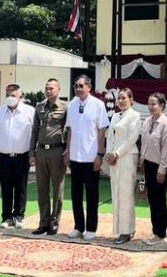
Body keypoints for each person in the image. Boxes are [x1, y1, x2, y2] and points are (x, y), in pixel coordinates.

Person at [64, 75, 110, 240]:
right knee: (76, 194)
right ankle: (78, 227)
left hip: (91, 158)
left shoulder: (98, 105)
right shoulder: (72, 105)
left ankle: (91, 228)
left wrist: (100, 154)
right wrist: (67, 151)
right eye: (76, 85)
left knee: (92, 195)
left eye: (81, 85)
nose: (78, 88)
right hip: (75, 156)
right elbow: (69, 130)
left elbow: (102, 131)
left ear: (89, 87)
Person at [0, 84, 35, 229]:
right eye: (8, 94)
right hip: (3, 157)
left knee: (21, 187)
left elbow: (34, 134)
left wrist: (32, 154)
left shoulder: (29, 111)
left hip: (22, 156)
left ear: (20, 97)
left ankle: (19, 216)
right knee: (6, 187)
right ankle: (6, 217)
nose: (10, 98)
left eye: (13, 95)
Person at [29, 78, 68, 236]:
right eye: (47, 88)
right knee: (42, 189)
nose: (48, 91)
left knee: (57, 189)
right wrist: (32, 152)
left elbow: (69, 130)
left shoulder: (65, 107)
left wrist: (68, 151)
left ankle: (54, 222)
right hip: (41, 152)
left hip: (57, 152)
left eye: (52, 88)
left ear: (59, 89)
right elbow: (34, 130)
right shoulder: (39, 107)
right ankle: (43, 223)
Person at [105, 88, 141, 244]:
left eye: (124, 98)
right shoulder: (114, 116)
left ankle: (127, 231)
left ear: (131, 99)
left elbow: (132, 139)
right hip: (114, 158)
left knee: (126, 194)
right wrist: (109, 154)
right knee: (116, 193)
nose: (120, 101)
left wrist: (117, 154)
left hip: (127, 157)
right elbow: (109, 137)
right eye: (118, 98)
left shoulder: (135, 116)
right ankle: (120, 230)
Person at [140, 92, 167, 246]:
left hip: (160, 166)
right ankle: (155, 231)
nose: (151, 107)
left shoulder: (166, 125)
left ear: (161, 106)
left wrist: (162, 170)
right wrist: (142, 160)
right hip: (148, 164)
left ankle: (161, 233)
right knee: (152, 199)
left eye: (154, 104)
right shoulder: (147, 121)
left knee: (159, 199)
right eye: (149, 104)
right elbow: (144, 142)